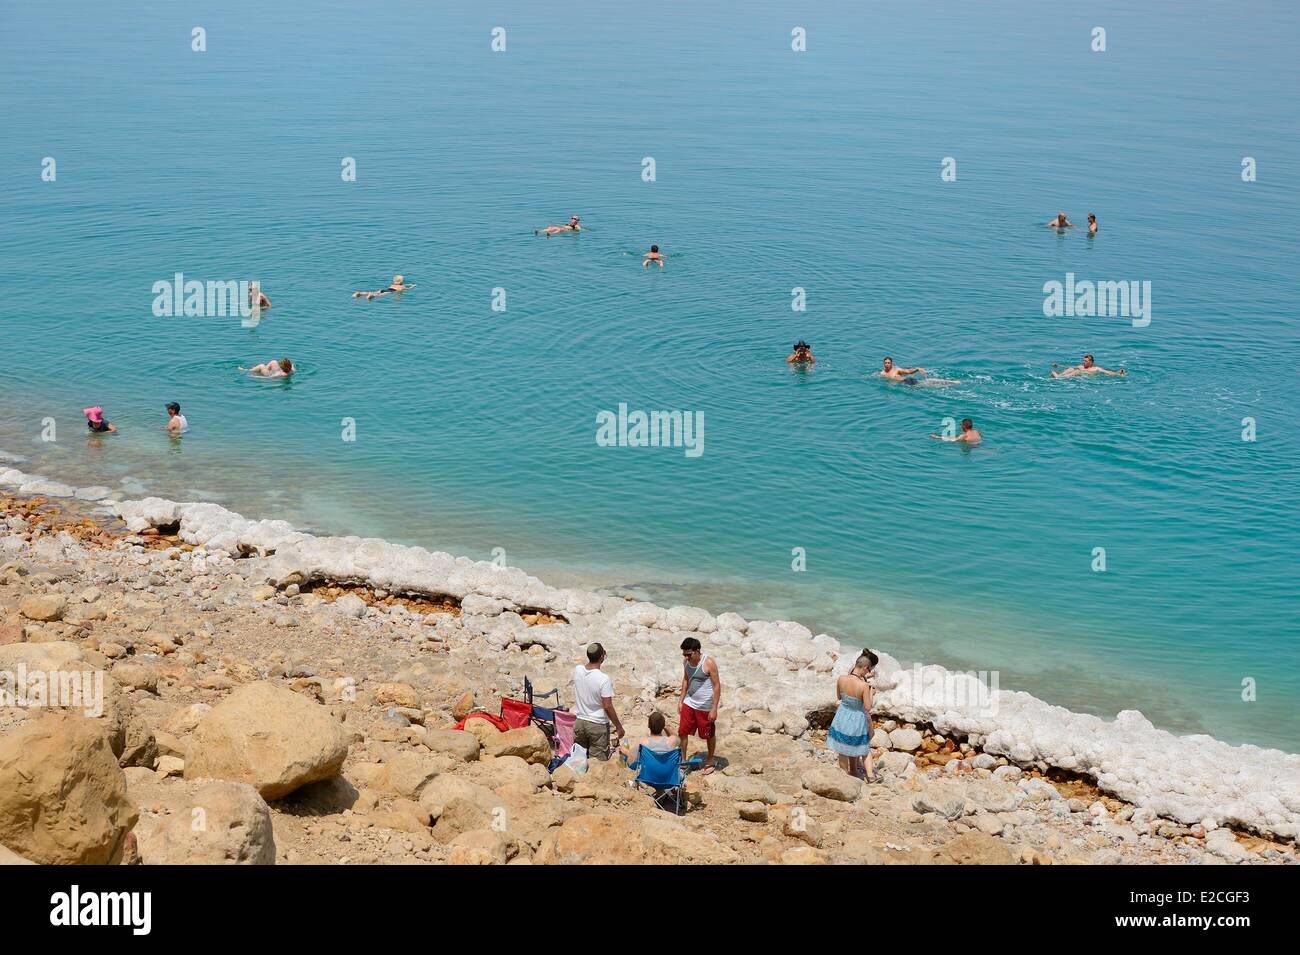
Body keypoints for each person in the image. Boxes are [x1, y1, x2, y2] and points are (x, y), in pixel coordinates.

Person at [828, 649, 878, 781]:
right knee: (863, 747)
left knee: (842, 748)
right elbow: (867, 707)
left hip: (842, 715)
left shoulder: (841, 679)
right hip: (857, 718)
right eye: (868, 671)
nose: (868, 673)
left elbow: (839, 697)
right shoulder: (863, 686)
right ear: (866, 668)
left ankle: (845, 776)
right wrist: (871, 693)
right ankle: (870, 776)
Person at [571, 643, 625, 761]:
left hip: (580, 722)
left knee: (578, 760)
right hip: (597, 724)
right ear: (602, 657)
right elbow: (607, 706)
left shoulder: (578, 670)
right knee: (597, 764)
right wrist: (619, 726)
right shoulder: (603, 679)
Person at [678, 637, 721, 774]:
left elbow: (717, 686)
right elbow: (685, 680)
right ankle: (683, 761)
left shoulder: (708, 663)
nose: (686, 657)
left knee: (708, 735)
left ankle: (710, 759)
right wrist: (681, 700)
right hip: (689, 702)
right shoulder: (686, 662)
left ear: (697, 651)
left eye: (689, 654)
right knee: (683, 732)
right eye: (684, 654)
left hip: (705, 705)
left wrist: (714, 708)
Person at [879, 356, 959, 386]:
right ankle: (950, 383)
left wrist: (917, 369)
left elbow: (908, 372)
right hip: (904, 385)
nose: (887, 364)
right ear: (883, 363)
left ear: (892, 363)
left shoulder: (896, 369)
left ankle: (952, 382)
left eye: (888, 363)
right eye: (885, 363)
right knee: (928, 384)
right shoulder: (882, 373)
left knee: (929, 383)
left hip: (908, 381)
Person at [1050, 354, 1125, 378]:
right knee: (1071, 368)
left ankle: (1059, 377)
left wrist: (1117, 373)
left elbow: (1107, 372)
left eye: (1086, 361)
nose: (1084, 362)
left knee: (1077, 371)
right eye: (1083, 361)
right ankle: (1059, 376)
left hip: (1086, 378)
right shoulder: (1081, 366)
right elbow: (1067, 367)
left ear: (1091, 362)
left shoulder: (1096, 368)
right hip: (1078, 376)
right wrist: (1058, 366)